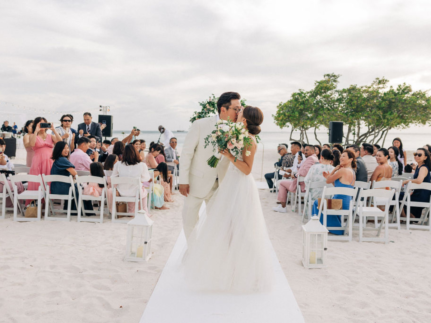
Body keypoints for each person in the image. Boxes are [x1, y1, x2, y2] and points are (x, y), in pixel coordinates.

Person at [182, 105, 273, 293]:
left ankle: (248, 272)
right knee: (229, 228)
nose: (236, 113)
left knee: (242, 228)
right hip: (231, 183)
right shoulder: (240, 134)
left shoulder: (248, 140)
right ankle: (230, 269)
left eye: (239, 113)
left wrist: (230, 156)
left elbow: (247, 169)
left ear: (245, 120)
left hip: (240, 186)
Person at [179, 91, 237, 239]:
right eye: (236, 109)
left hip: (220, 185)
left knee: (218, 224)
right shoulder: (200, 125)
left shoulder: (238, 130)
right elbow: (187, 153)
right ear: (223, 109)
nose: (239, 112)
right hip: (195, 183)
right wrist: (183, 180)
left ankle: (210, 255)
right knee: (189, 221)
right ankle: (193, 252)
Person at [312, 150, 356, 235]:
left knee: (317, 202)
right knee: (324, 202)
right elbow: (337, 186)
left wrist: (335, 169)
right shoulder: (352, 172)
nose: (341, 158)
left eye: (344, 156)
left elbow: (328, 181)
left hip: (338, 203)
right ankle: (334, 227)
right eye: (341, 156)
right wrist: (330, 176)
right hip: (347, 203)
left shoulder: (342, 170)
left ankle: (317, 226)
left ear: (351, 159)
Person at [50, 141, 93, 212]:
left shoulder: (57, 160)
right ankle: (82, 210)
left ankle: (72, 209)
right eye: (64, 148)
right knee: (81, 188)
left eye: (67, 148)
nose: (67, 150)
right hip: (64, 189)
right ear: (59, 150)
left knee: (78, 187)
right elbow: (74, 172)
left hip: (55, 188)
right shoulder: (62, 160)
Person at [274, 144, 318, 213]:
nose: (305, 152)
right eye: (305, 150)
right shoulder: (315, 158)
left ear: (313, 151)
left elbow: (305, 172)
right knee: (283, 182)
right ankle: (282, 206)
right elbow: (302, 170)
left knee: (282, 183)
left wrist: (295, 175)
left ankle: (283, 207)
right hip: (305, 183)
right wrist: (299, 163)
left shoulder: (310, 159)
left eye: (307, 150)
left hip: (302, 185)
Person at [108, 145, 151, 216]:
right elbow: (146, 178)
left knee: (135, 188)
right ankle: (143, 211)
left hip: (121, 192)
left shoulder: (118, 164)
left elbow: (113, 178)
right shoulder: (142, 165)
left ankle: (131, 210)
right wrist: (139, 180)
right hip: (136, 193)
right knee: (144, 191)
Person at [27, 118, 62, 204]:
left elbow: (60, 142)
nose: (42, 125)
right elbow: (31, 144)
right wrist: (36, 131)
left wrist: (53, 129)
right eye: (40, 123)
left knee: (48, 182)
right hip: (37, 162)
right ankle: (35, 205)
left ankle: (46, 205)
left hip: (49, 162)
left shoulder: (50, 136)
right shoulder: (32, 135)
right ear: (36, 124)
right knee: (37, 182)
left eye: (43, 123)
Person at [399, 148, 431, 219]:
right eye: (415, 154)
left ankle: (404, 217)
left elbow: (419, 180)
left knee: (396, 195)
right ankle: (407, 216)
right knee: (398, 195)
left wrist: (407, 181)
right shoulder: (418, 167)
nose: (416, 156)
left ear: (425, 157)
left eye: (419, 155)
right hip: (417, 193)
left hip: (421, 196)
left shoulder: (423, 168)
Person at [0, 139, 24, 207]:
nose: (2, 148)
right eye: (1, 146)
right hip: (3, 182)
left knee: (17, 183)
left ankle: (14, 204)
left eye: (3, 146)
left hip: (5, 180)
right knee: (17, 184)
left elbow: (11, 167)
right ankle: (16, 205)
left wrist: (5, 162)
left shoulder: (5, 156)